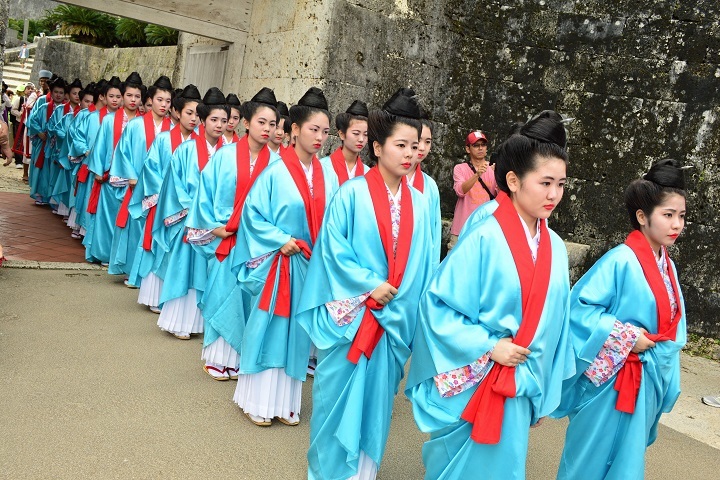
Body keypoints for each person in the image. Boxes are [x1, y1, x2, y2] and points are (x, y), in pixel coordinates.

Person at [406, 111, 574, 480]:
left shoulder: (556, 248)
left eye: (561, 184)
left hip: (521, 380)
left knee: (505, 468)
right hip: (477, 377)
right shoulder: (484, 233)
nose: (553, 194)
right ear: (513, 180)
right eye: (545, 182)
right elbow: (438, 305)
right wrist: (488, 345)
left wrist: (543, 387)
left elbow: (557, 324)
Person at [296, 87, 434, 480]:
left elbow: (425, 267)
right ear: (377, 147)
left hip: (393, 323)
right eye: (401, 145)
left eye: (415, 146)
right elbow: (332, 253)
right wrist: (369, 285)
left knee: (376, 408)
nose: (409, 154)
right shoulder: (350, 194)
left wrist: (402, 307)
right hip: (351, 319)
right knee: (333, 404)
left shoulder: (422, 204)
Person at [552, 159, 688, 480]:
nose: (676, 224)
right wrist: (626, 337)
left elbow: (673, 328)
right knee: (588, 458)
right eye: (668, 215)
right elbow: (579, 310)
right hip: (612, 378)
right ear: (642, 216)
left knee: (626, 461)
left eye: (681, 216)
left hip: (647, 377)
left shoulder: (666, 266)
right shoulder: (620, 260)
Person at [231, 87, 338, 426]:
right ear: (294, 130)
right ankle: (257, 400)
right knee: (270, 327)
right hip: (279, 265)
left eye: (324, 131)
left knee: (298, 333)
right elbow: (253, 215)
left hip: (309, 266)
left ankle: (287, 404)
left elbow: (334, 222)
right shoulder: (276, 171)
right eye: (313, 129)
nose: (320, 137)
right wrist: (280, 240)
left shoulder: (328, 175)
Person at [185, 87, 280, 380]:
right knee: (224, 292)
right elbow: (205, 194)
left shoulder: (277, 164)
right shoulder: (224, 156)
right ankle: (217, 356)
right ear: (245, 123)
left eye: (273, 124)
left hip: (256, 244)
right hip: (224, 238)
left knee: (248, 299)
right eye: (261, 122)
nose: (267, 129)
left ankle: (241, 356)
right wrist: (214, 228)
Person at [152, 87, 228, 340]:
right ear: (203, 121)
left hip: (217, 223)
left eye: (224, 121)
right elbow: (174, 186)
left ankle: (204, 322)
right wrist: (196, 213)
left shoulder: (229, 154)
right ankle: (179, 321)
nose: (219, 125)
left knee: (211, 274)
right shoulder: (185, 150)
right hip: (191, 220)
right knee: (187, 268)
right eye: (214, 120)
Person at [127, 84, 201, 313]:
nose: (194, 119)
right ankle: (154, 295)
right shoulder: (163, 140)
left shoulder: (201, 145)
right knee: (159, 246)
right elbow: (151, 170)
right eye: (189, 113)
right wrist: (171, 197)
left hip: (189, 209)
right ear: (177, 112)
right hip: (164, 205)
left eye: (198, 115)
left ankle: (175, 301)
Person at [108, 76, 173, 280]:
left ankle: (148, 274)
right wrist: (131, 177)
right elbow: (123, 152)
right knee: (135, 226)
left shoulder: (172, 130)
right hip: (137, 185)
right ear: (151, 100)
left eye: (168, 101)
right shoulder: (135, 125)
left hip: (162, 188)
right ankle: (132, 270)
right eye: (159, 100)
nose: (163, 104)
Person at [84, 72, 143, 264]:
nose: (133, 100)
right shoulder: (109, 120)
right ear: (123, 96)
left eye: (137, 96)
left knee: (130, 222)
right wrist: (99, 171)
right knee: (109, 218)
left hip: (136, 180)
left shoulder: (145, 123)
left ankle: (124, 259)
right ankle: (106, 254)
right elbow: (100, 146)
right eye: (129, 95)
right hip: (112, 178)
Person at [69, 77, 121, 239]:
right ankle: (86, 230)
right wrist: (85, 151)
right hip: (93, 166)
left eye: (118, 97)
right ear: (103, 97)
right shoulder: (92, 117)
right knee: (88, 199)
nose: (114, 100)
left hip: (114, 170)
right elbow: (78, 136)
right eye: (111, 96)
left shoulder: (126, 121)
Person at [448, 130, 498, 250]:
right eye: (476, 145)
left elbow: (500, 196)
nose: (480, 148)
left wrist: (499, 174)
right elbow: (460, 191)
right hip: (461, 228)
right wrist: (477, 174)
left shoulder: (493, 169)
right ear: (468, 149)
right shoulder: (460, 168)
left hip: (485, 228)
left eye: (483, 145)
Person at [408, 115, 442, 269]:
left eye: (427, 142)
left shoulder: (430, 185)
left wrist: (433, 269)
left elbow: (434, 233)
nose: (422, 147)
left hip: (419, 264)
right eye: (419, 140)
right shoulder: (390, 179)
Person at [27, 76, 67, 205]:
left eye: (61, 93)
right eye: (56, 92)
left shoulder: (66, 110)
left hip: (57, 146)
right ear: (51, 91)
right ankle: (40, 194)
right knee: (42, 169)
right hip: (43, 142)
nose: (58, 95)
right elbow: (32, 120)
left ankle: (52, 197)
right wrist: (39, 132)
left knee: (54, 170)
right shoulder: (44, 106)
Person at [321, 100, 369, 184]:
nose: (361, 139)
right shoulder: (322, 166)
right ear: (342, 134)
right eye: (356, 133)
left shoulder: (368, 173)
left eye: (365, 134)